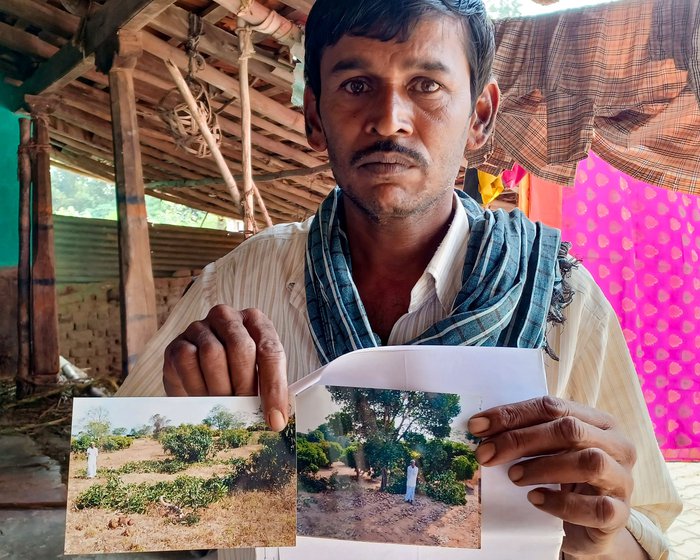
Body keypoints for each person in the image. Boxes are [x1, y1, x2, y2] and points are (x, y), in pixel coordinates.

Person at [117, 1, 681, 558]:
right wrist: (193, 434)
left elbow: (645, 529)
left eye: (427, 85)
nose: (389, 120)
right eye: (357, 85)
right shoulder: (236, 285)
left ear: (480, 116)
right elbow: (124, 507)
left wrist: (605, 538)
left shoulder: (559, 295)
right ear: (314, 117)